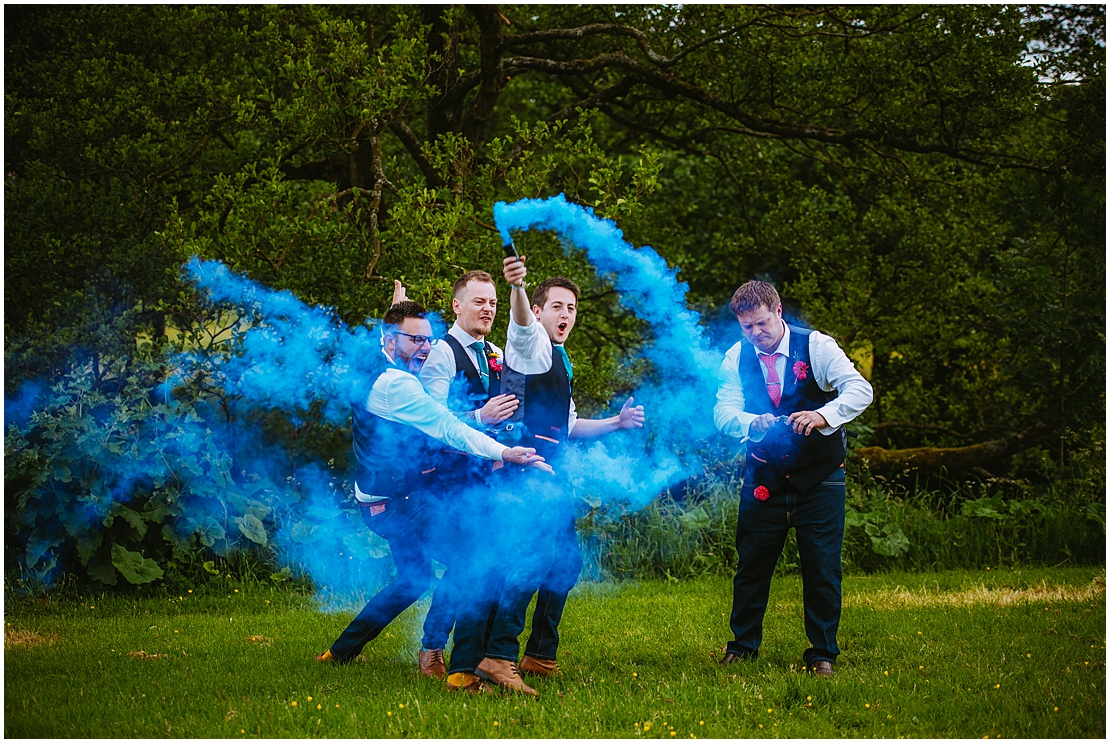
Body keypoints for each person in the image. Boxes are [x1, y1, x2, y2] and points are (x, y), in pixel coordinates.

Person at [315, 300, 549, 668]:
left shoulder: (372, 367)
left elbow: (389, 351)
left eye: (429, 340)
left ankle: (340, 652)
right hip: (397, 502)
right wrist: (504, 453)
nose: (425, 349)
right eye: (415, 340)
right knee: (472, 555)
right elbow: (448, 429)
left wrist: (396, 312)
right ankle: (445, 659)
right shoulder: (396, 385)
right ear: (390, 340)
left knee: (415, 578)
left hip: (379, 498)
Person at [468, 254, 645, 696]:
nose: (565, 315)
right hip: (525, 472)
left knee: (566, 563)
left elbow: (568, 425)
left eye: (571, 308)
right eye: (557, 307)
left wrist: (616, 424)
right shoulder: (531, 346)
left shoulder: (560, 359)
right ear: (541, 310)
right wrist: (518, 287)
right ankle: (498, 657)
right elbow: (523, 324)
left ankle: (539, 654)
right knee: (533, 560)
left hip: (551, 474)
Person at [713, 280, 872, 678]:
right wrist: (752, 421)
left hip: (821, 475)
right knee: (751, 566)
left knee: (822, 567)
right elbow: (723, 412)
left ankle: (822, 655)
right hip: (764, 473)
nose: (756, 334)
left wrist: (823, 416)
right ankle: (742, 647)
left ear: (778, 311)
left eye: (762, 323)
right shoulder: (736, 357)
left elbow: (860, 390)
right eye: (747, 327)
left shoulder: (817, 346)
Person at [412, 270, 520, 680]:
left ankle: (477, 651)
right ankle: (433, 648)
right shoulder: (442, 353)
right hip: (447, 481)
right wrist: (479, 416)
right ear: (457, 305)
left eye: (493, 302)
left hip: (488, 477)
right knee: (466, 561)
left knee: (487, 560)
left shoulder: (494, 351)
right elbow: (429, 422)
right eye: (479, 301)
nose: (488, 308)